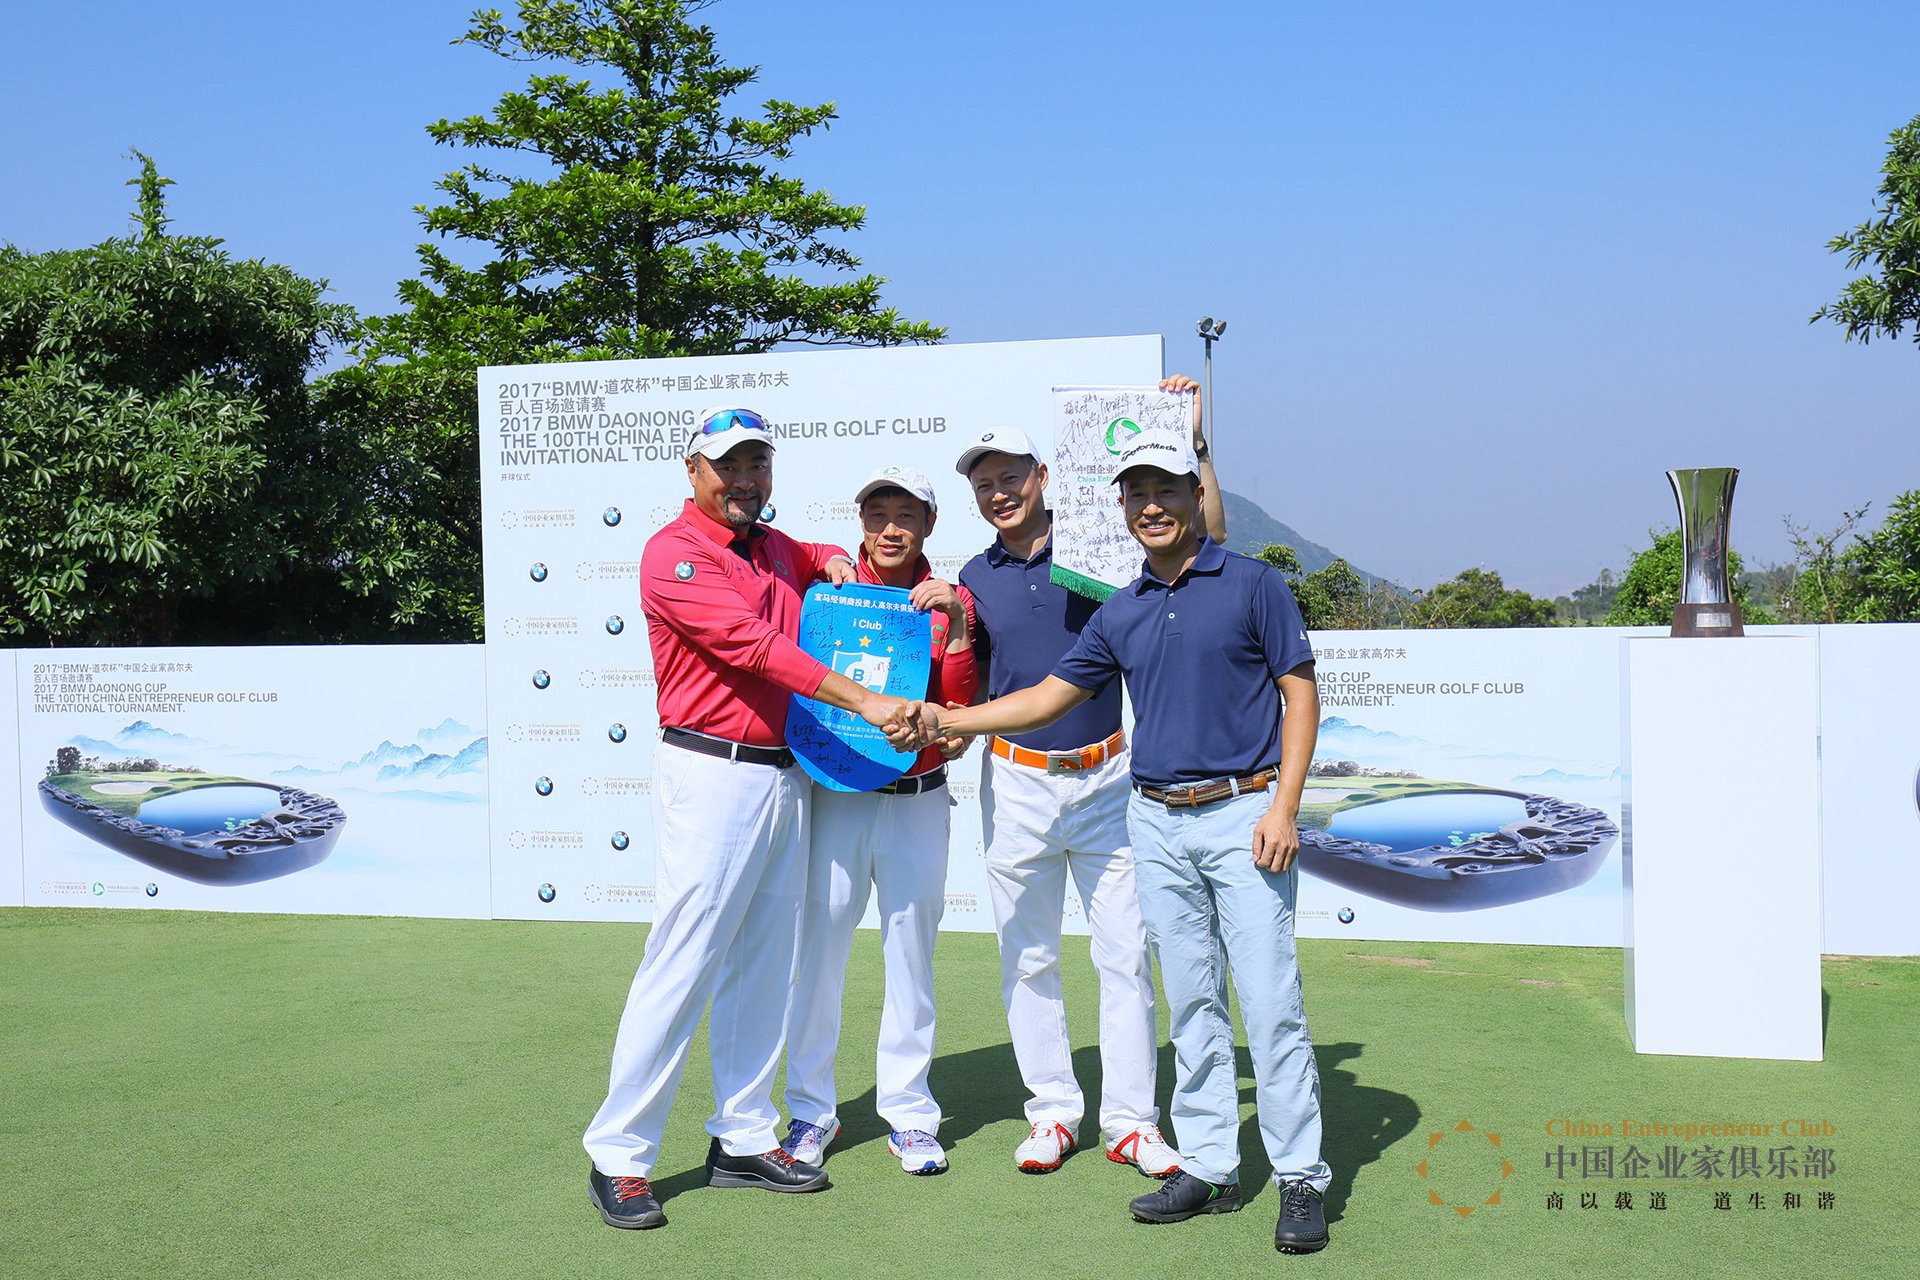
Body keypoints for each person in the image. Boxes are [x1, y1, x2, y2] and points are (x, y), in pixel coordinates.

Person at [895, 426, 1331, 1256]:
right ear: (1123, 505)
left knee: (1268, 1002)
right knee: (1193, 1001)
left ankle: (1300, 1176)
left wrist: (1284, 806)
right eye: (1138, 494)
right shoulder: (1121, 607)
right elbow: (1043, 699)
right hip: (1154, 817)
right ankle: (1210, 1164)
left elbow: (1299, 694)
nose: (1152, 506)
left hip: (1242, 812)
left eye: (1167, 490)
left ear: (1194, 495)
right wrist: (947, 720)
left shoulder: (1252, 582)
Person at [583, 406, 913, 1231]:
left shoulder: (772, 544)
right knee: (684, 961)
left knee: (766, 962)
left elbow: (817, 552)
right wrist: (865, 700)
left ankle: (741, 1136)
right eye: (728, 465)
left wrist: (833, 556)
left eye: (757, 464)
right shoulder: (674, 552)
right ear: (693, 470)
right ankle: (619, 1155)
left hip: (783, 776)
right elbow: (755, 648)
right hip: (711, 772)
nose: (744, 480)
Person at [952, 375, 1224, 1178]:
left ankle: (1132, 1121)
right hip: (1016, 783)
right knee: (1028, 956)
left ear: (1043, 477)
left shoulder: (1104, 552)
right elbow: (973, 678)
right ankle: (1052, 1111)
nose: (999, 493)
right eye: (984, 483)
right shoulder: (972, 577)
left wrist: (1194, 439)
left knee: (1125, 955)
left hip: (1108, 778)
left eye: (1011, 476)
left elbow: (1208, 534)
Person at [780, 465, 980, 1177]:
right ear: (860, 520)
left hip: (918, 798)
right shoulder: (830, 589)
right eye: (877, 514)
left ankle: (910, 1112)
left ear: (929, 524)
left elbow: (960, 703)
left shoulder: (952, 599)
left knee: (911, 957)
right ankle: (810, 1109)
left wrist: (957, 623)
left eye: (907, 515)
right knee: (819, 954)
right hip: (837, 792)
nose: (891, 529)